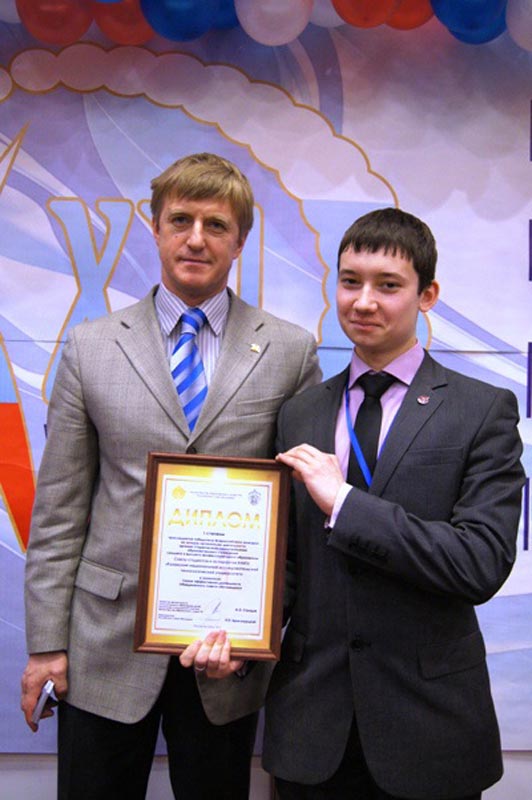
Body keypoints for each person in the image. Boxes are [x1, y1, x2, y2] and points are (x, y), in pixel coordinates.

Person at [20, 152, 322, 800]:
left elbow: (298, 521)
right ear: (154, 228)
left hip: (227, 649)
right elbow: (59, 511)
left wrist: (261, 631)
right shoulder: (91, 347)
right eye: (180, 220)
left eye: (216, 225)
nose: (196, 239)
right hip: (103, 644)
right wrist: (46, 645)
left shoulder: (290, 351)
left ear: (240, 240)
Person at [263, 207, 525, 800]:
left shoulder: (481, 410)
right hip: (311, 727)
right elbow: (289, 564)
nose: (363, 302)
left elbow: (480, 562)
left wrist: (345, 503)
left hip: (429, 723)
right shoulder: (301, 412)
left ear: (426, 296)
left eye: (388, 285)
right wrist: (237, 630)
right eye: (349, 281)